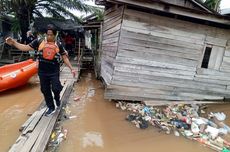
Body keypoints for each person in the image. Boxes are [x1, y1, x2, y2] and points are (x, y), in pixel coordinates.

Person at [5, 24, 76, 116]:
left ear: (55, 35)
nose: (49, 36)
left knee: (56, 88)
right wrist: (14, 43)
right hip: (42, 72)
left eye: (51, 35)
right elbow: (26, 48)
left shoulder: (58, 44)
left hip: (54, 71)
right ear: (46, 34)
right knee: (45, 90)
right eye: (48, 34)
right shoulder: (39, 41)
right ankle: (51, 107)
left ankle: (57, 98)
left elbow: (65, 58)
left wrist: (72, 69)